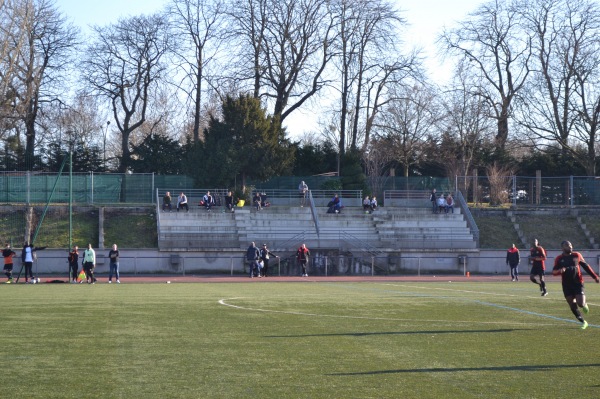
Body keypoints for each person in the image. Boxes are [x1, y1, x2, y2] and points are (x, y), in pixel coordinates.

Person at [552, 240, 599, 330]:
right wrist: (559, 271)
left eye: (570, 245)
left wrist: (595, 277)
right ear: (562, 248)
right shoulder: (559, 259)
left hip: (578, 283)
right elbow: (554, 272)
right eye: (567, 245)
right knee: (572, 304)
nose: (570, 247)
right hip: (566, 285)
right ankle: (583, 322)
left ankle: (584, 304)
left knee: (580, 304)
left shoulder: (577, 255)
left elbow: (586, 266)